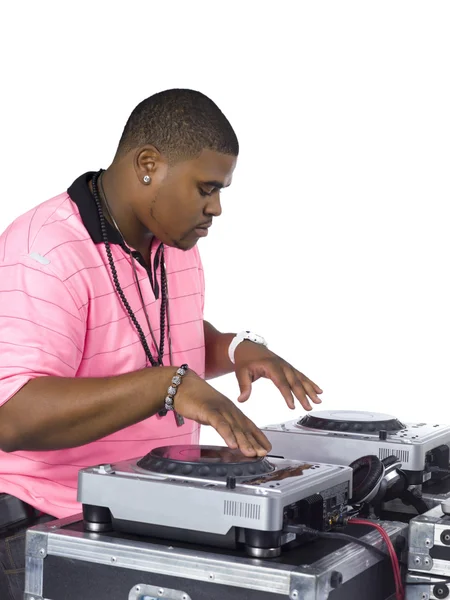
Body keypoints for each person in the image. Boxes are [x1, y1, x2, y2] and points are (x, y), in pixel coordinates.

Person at [0, 88, 322, 599]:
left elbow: (158, 343)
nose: (215, 207)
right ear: (148, 164)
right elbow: (13, 418)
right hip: (44, 533)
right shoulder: (43, 251)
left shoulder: (172, 243)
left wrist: (237, 348)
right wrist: (164, 387)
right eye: (206, 188)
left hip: (139, 519)